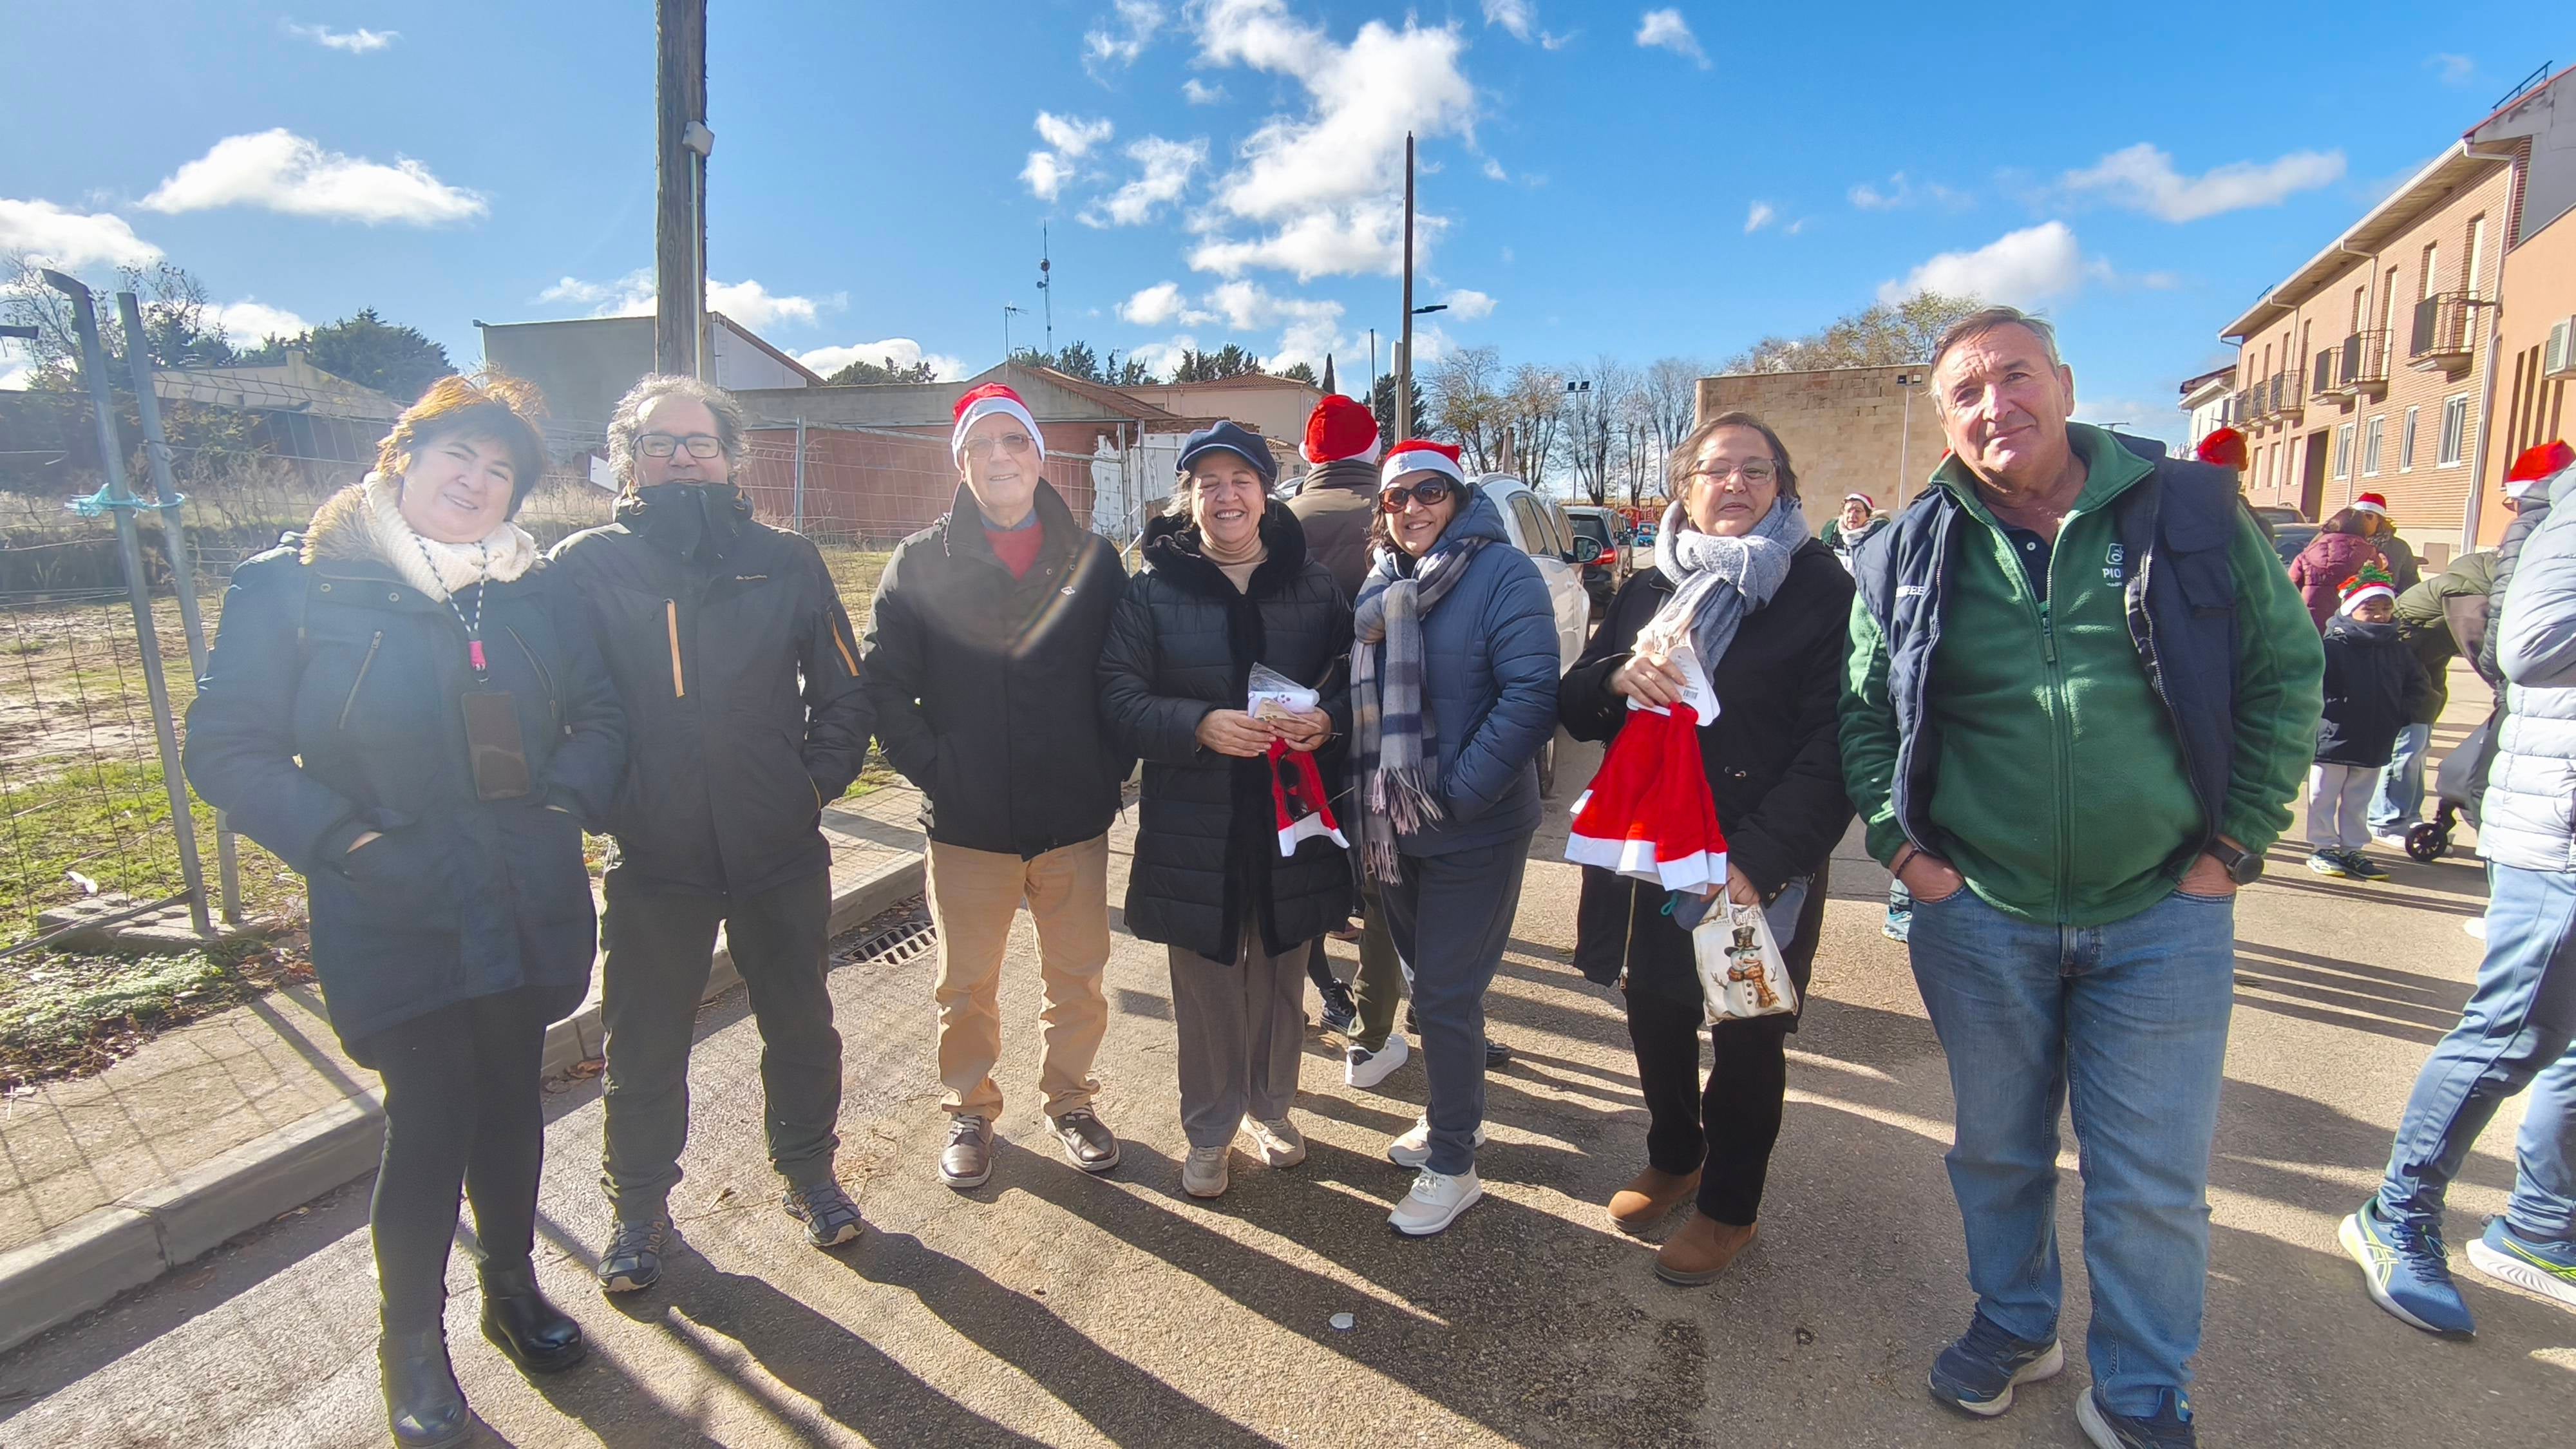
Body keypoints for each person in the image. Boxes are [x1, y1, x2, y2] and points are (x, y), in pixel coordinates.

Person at [1841, 307, 2322, 1448]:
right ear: (1944, 417)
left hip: (2165, 911)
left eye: (2015, 377)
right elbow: (1865, 717)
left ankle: (2143, 1385)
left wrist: (2233, 849)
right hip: (1982, 917)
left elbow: (2284, 673)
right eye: (1965, 391)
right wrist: (1903, 852)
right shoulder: (1908, 545)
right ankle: (2016, 1324)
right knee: (1997, 1151)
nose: (1994, 404)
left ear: (2064, 382)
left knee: (2150, 1178)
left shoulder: (2192, 510)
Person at [184, 375, 625, 1448]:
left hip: (523, 889)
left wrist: (567, 795)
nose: (476, 484)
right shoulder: (296, 588)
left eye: (501, 472)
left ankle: (512, 1293)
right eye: (457, 459)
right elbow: (225, 748)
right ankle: (412, 1346)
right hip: (394, 902)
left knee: (513, 1103)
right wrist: (347, 842)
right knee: (430, 1117)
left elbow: (603, 712)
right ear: (403, 458)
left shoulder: (529, 591)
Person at [549, 375, 873, 1291]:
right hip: (657, 859)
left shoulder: (789, 559)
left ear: (732, 458)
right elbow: (566, 705)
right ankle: (639, 1211)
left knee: (801, 1024)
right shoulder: (587, 564)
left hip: (778, 847)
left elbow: (845, 688)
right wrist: (617, 804)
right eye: (660, 442)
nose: (682, 455)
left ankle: (810, 1175)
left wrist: (812, 784)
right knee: (645, 1041)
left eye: (700, 441)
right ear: (629, 460)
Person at [1558, 411, 1853, 1285]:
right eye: (1714, 471)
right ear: (1685, 488)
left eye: (1754, 471)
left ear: (1783, 489)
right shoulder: (1651, 588)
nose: (1733, 486)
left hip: (1750, 862)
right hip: (1654, 853)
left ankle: (1729, 1205)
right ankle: (1676, 1154)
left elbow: (1833, 743)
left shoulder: (1818, 588)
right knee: (1652, 1005)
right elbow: (1575, 706)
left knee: (1747, 1033)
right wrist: (1616, 677)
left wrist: (1758, 862)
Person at [862, 383, 1132, 1189]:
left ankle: (1071, 1102)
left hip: (1072, 821)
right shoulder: (920, 560)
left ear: (1039, 456)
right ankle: (971, 1111)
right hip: (968, 826)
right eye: (983, 445)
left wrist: (1105, 768)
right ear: (963, 464)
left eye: (1015, 441)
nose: (1001, 457)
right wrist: (939, 770)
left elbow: (1121, 676)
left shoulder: (1093, 560)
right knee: (965, 986)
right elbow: (883, 685)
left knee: (1078, 979)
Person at [2342, 438, 2576, 1334]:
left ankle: (2542, 1226)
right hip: (2558, 825)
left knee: (2566, 1038)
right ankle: (2397, 1216)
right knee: (2516, 1031)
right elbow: (2536, 642)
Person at [1099, 421, 1354, 1198]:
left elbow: (1353, 676)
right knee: (1207, 984)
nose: (1225, 495)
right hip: (1195, 823)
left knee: (1280, 974)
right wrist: (1198, 724)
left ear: (1265, 490)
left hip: (1291, 822)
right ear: (1190, 498)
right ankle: (1209, 1129)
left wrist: (1330, 720)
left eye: (1238, 479)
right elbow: (1117, 695)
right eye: (1207, 483)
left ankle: (1270, 1108)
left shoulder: (1312, 585)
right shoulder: (1152, 589)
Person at [1349, 438, 1561, 1235]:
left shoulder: (1503, 573)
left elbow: (1532, 693)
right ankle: (1452, 1120)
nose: (1412, 510)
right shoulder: (1382, 583)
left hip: (1470, 826)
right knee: (1425, 986)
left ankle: (1453, 1165)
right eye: (1397, 498)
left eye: (1428, 492)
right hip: (1392, 826)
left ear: (1458, 495)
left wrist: (1457, 797)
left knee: (1444, 992)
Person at [1282, 394, 1381, 1043]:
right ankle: (1398, 1000)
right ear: (1375, 452)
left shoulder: (1278, 520)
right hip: (1380, 723)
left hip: (1292, 726)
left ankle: (1325, 986)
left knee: (1302, 857)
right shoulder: (1403, 510)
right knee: (1385, 868)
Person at [2305, 565, 2432, 882]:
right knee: (2322, 796)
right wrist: (2335, 712)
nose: (2379, 615)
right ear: (2350, 610)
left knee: (2359, 799)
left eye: (2386, 608)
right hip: (2334, 739)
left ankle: (2353, 849)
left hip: (2376, 739)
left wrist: (2400, 714)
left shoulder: (2397, 649)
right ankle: (2323, 847)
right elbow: (2314, 687)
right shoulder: (2333, 647)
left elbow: (2419, 686)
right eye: (2369, 609)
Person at [2371, 549, 2496, 847]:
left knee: (2418, 745)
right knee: (2406, 745)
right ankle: (2387, 820)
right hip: (2400, 666)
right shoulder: (2467, 592)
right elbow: (2482, 649)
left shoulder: (2476, 581)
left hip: (2424, 667)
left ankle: (2408, 817)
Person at [2288, 508, 2389, 630]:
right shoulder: (2369, 553)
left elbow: (2289, 587)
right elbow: (2376, 588)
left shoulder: (2309, 552)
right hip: (2351, 620)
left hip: (2310, 619)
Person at [2351, 492, 2421, 593]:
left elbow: (2410, 585)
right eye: (2358, 516)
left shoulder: (2399, 548)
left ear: (2380, 520)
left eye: (2368, 516)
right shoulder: (2343, 541)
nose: (2363, 521)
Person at [1821, 491, 1887, 569]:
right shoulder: (1831, 537)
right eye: (1849, 511)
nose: (1852, 516)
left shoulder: (1878, 538)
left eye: (1858, 511)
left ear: (1868, 515)